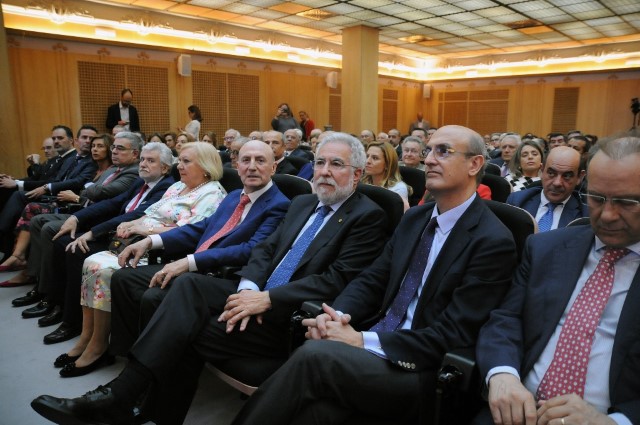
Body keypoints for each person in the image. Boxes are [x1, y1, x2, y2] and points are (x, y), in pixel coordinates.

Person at [31, 132, 389, 425]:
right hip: (250, 292)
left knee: (183, 329)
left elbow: (336, 280)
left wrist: (267, 299)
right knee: (186, 289)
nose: (324, 171)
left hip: (288, 314)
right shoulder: (303, 204)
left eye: (337, 165)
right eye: (321, 162)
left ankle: (123, 398)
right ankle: (132, 402)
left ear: (357, 174)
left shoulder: (367, 216)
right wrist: (248, 287)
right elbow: (265, 252)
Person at [230, 125, 518, 425]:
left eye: (443, 151)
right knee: (313, 412)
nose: (429, 159)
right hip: (376, 340)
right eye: (429, 150)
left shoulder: (492, 240)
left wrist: (361, 340)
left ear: (475, 164)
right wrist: (335, 316)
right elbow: (373, 279)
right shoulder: (415, 218)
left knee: (313, 357)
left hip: (420, 368)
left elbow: (454, 334)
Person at [472, 132, 640, 425]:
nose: (608, 215)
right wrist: (503, 375)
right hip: (517, 411)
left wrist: (615, 422)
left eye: (626, 202)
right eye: (597, 199)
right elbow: (505, 319)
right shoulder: (545, 248)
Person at [47, 141, 225, 376]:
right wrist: (132, 223)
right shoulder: (178, 187)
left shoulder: (212, 194)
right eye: (179, 160)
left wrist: (145, 232)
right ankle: (87, 337)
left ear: (205, 166)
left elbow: (189, 232)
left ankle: (99, 345)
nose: (178, 166)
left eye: (185, 161)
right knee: (91, 262)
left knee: (102, 267)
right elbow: (150, 212)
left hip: (162, 252)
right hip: (137, 244)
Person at [108, 140, 290, 357]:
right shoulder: (234, 196)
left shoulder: (280, 204)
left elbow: (250, 250)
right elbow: (202, 227)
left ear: (273, 167)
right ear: (237, 166)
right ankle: (125, 354)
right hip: (198, 264)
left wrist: (189, 262)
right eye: (245, 160)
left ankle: (148, 363)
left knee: (153, 296)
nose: (252, 166)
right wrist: (151, 241)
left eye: (260, 161)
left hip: (223, 275)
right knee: (123, 279)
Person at [20, 142, 175, 345]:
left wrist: (92, 233)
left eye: (150, 160)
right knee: (62, 242)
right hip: (115, 233)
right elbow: (113, 203)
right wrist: (77, 218)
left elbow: (137, 215)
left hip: (129, 240)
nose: (143, 164)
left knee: (75, 250)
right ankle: (57, 302)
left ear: (164, 167)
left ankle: (72, 321)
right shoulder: (141, 182)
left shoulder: (167, 187)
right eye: (143, 159)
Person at [0, 134, 115, 275]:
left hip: (78, 208)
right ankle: (19, 257)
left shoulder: (107, 170)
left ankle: (26, 265)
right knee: (16, 197)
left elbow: (83, 188)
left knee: (35, 213)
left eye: (100, 146)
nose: (94, 149)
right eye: (93, 146)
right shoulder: (90, 166)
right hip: (69, 203)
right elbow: (49, 178)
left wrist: (77, 198)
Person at [507, 146, 587, 231]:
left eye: (567, 176)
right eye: (551, 173)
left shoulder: (586, 213)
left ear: (579, 177)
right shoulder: (517, 201)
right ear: (541, 171)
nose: (557, 183)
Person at [362, 141, 411, 210]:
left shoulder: (398, 189)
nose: (368, 161)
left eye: (375, 158)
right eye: (367, 156)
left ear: (387, 164)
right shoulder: (361, 183)